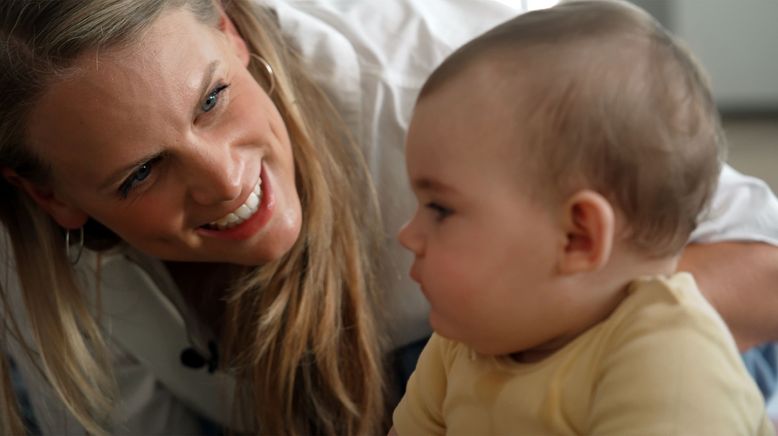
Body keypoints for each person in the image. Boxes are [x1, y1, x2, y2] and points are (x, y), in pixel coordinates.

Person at [0, 0, 777, 435]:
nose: (227, 180)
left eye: (212, 100)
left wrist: (530, 333)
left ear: (230, 33)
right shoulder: (34, 277)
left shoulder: (442, 94)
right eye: (140, 174)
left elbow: (766, 264)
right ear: (53, 198)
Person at [391, 1, 774, 434]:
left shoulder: (669, 356)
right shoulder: (462, 343)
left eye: (440, 209)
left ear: (578, 237)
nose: (407, 234)